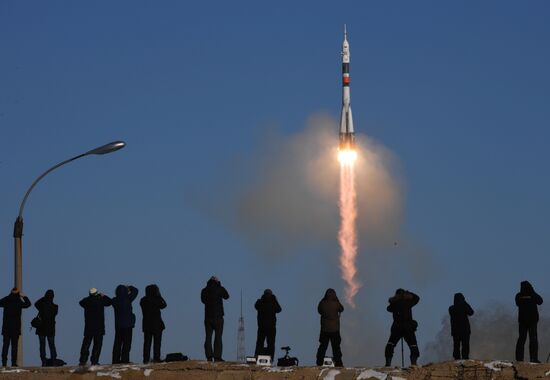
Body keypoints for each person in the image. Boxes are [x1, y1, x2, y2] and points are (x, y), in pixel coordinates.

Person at [384, 289, 420, 367]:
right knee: (413, 345)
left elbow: (388, 309)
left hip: (396, 328)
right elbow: (417, 298)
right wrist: (409, 293)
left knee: (391, 344)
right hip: (408, 328)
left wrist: (394, 300)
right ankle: (414, 363)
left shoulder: (394, 304)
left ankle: (388, 363)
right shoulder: (408, 302)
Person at [79, 288, 112, 366]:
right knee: (97, 345)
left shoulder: (86, 301)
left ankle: (83, 360)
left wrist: (89, 297)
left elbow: (81, 302)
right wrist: (103, 296)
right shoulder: (100, 301)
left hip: (89, 327)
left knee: (86, 344)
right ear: (97, 293)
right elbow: (110, 302)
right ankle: (94, 361)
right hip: (99, 327)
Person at [201, 276, 229, 362]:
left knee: (208, 337)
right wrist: (219, 285)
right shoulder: (219, 289)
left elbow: (203, 301)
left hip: (208, 317)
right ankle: (217, 357)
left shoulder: (204, 290)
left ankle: (209, 356)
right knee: (218, 338)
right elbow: (227, 296)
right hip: (218, 317)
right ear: (216, 281)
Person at [0, 288, 31, 367]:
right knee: (14, 346)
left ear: (11, 292)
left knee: (5, 346)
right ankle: (13, 363)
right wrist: (24, 296)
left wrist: (8, 295)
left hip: (6, 328)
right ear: (18, 294)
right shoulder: (19, 301)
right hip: (15, 328)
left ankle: (4, 363)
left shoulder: (6, 300)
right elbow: (28, 304)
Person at [515, 280, 543, 362]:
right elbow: (540, 301)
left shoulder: (518, 296)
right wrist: (532, 292)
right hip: (532, 321)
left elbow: (517, 303)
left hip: (522, 321)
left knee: (521, 339)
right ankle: (533, 358)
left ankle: (519, 358)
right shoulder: (533, 294)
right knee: (533, 339)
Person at [315, 288, 344, 367]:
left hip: (324, 329)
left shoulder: (322, 303)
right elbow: (342, 309)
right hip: (335, 330)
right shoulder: (336, 303)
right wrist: (337, 300)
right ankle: (339, 363)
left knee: (323, 346)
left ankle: (319, 362)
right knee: (336, 347)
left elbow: (319, 310)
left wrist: (324, 299)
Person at [111, 285, 138, 364]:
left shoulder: (114, 300)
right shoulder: (128, 298)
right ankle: (125, 360)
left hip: (118, 325)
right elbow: (136, 291)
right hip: (128, 325)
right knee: (126, 343)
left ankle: (115, 360)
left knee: (117, 343)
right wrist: (130, 287)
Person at [140, 284, 167, 363]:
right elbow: (164, 305)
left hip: (147, 324)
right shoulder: (157, 299)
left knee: (147, 343)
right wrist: (160, 296)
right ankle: (156, 358)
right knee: (157, 343)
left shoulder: (143, 300)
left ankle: (146, 359)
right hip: (157, 324)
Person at [254, 289, 282, 359]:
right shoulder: (268, 302)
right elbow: (279, 309)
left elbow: (279, 309)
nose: (268, 296)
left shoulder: (260, 301)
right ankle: (269, 358)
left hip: (264, 327)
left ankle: (258, 356)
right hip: (269, 327)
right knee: (269, 344)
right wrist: (274, 299)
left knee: (261, 343)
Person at [34, 289, 58, 366]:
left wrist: (43, 298)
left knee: (42, 345)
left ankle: (43, 361)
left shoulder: (41, 306)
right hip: (51, 329)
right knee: (52, 345)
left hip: (41, 328)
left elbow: (36, 303)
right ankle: (53, 360)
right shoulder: (55, 307)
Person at [448, 293, 474, 360]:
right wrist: (465, 302)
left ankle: (457, 358)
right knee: (465, 345)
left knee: (456, 345)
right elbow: (471, 312)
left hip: (455, 331)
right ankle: (465, 358)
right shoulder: (464, 306)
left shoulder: (451, 308)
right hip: (465, 330)